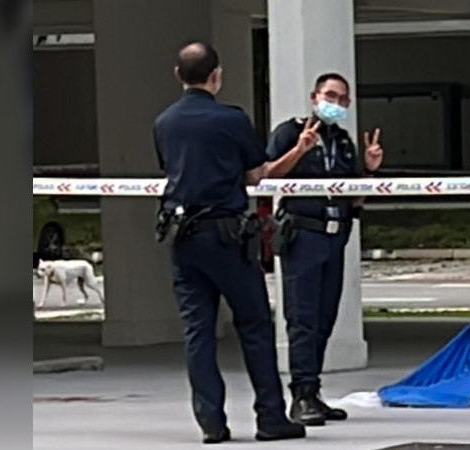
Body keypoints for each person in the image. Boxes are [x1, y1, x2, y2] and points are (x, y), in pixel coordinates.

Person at [154, 42, 306, 444]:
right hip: (226, 236)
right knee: (254, 325)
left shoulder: (164, 122)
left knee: (198, 331)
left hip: (182, 238)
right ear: (216, 76)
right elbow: (257, 176)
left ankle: (212, 424)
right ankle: (270, 418)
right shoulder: (231, 119)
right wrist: (295, 153)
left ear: (177, 75)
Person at [264, 73, 384, 426]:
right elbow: (268, 176)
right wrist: (300, 150)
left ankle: (313, 390)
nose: (336, 102)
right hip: (303, 234)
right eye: (329, 95)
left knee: (324, 317)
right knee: (301, 317)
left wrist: (370, 172)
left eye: (342, 98)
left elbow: (354, 197)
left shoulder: (343, 142)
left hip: (336, 234)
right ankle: (300, 395)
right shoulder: (291, 132)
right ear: (314, 97)